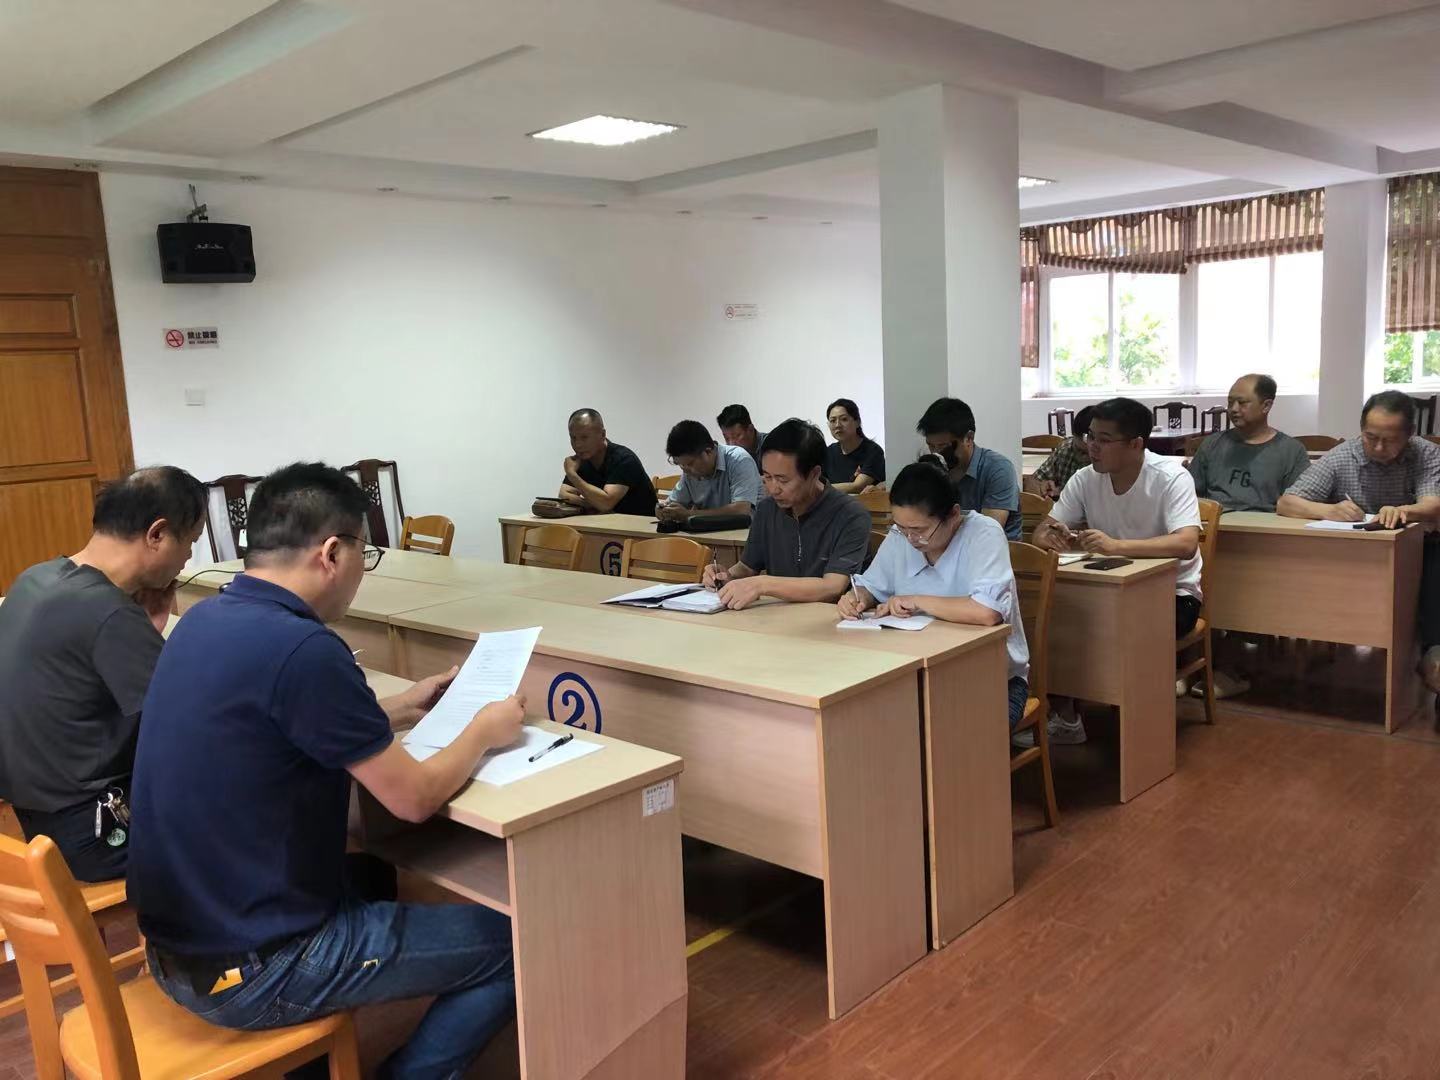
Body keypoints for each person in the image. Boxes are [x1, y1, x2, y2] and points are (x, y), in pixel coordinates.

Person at [128, 463, 523, 1078]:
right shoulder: (306, 650)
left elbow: (279, 723)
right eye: (367, 553)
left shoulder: (206, 618)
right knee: (514, 944)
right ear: (332, 553)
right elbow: (414, 799)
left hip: (177, 946)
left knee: (369, 875)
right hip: (254, 969)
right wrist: (483, 732)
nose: (364, 570)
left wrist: (403, 707)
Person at [0, 466, 206, 882]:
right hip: (97, 835)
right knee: (251, 801)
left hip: (39, 825)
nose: (187, 558)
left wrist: (144, 633)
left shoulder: (36, 579)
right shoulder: (108, 612)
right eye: (190, 542)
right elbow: (191, 723)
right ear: (157, 534)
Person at [1031, 397, 1203, 744]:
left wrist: (1116, 546)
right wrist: (1053, 537)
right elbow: (1040, 532)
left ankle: (1144, 729)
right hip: (1107, 588)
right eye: (1090, 437)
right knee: (1049, 621)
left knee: (1114, 629)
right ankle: (1066, 717)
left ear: (1136, 444)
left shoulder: (1170, 477)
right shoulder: (1085, 478)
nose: (1092, 447)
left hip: (1172, 595)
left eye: (1104, 440)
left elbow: (1186, 543)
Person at [840, 458, 1031, 729]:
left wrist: (916, 600)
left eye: (919, 530)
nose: (910, 539)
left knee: (957, 734)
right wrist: (857, 597)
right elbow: (871, 585)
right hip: (914, 673)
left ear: (953, 514)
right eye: (902, 528)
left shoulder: (983, 533)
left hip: (992, 679)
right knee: (876, 724)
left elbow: (987, 612)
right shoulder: (901, 536)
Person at [1277, 390, 1440, 693]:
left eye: (1389, 440)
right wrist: (1327, 510)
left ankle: (1433, 654)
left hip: (1420, 551)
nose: (1378, 447)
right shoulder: (1343, 455)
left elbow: (1432, 505)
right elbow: (1287, 503)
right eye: (1370, 437)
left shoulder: (1426, 453)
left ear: (1409, 434)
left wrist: (1403, 511)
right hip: (1357, 556)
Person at [701, 419, 870, 609]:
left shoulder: (850, 514)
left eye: (783, 480)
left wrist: (762, 584)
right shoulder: (767, 509)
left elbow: (832, 587)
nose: (773, 489)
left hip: (830, 618)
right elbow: (747, 567)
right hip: (777, 616)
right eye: (767, 477)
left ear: (814, 474)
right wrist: (725, 576)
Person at [1188, 375, 1310, 513]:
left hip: (1264, 524)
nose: (1234, 409)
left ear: (1266, 406)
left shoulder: (1292, 451)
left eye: (1242, 403)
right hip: (1216, 521)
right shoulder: (1212, 444)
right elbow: (1189, 494)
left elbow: (1298, 504)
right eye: (1230, 402)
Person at [917, 397, 1021, 540]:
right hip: (944, 548)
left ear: (969, 438)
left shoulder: (998, 469)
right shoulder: (934, 470)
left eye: (943, 446)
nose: (936, 453)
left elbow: (988, 532)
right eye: (931, 445)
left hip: (995, 550)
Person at [657, 420, 762, 524]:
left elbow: (741, 510)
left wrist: (688, 514)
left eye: (690, 463)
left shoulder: (739, 460)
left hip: (746, 532)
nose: (685, 470)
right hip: (709, 532)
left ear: (708, 451)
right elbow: (673, 503)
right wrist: (664, 510)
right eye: (680, 464)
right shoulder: (688, 471)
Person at [558, 408, 655, 516]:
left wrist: (572, 474)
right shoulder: (582, 459)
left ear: (603, 434)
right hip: (606, 522)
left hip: (640, 523)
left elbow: (606, 503)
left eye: (584, 437)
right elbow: (564, 494)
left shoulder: (624, 459)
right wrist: (590, 504)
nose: (578, 444)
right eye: (573, 438)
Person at [1029, 406, 1094, 499]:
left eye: (1088, 453)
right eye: (1079, 450)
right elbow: (1032, 481)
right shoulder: (1066, 449)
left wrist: (1064, 493)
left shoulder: (1110, 464)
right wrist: (1041, 487)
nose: (1082, 457)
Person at [824, 397, 885, 494]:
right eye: (832, 421)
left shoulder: (873, 451)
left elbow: (858, 487)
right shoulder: (828, 452)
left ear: (857, 422)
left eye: (844, 419)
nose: (837, 425)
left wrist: (820, 488)